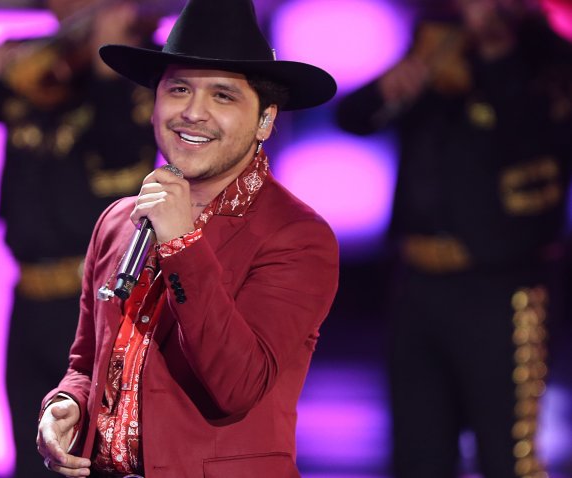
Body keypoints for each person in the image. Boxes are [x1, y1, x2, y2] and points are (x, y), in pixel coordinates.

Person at [34, 0, 339, 476]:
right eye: (178, 89)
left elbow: (236, 385)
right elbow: (86, 361)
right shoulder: (119, 219)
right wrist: (68, 403)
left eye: (222, 96)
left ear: (264, 119)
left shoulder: (299, 237)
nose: (192, 113)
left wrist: (182, 246)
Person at [0, 2, 160, 476]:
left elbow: (119, 150)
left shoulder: (142, 68)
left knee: (97, 454)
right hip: (29, 296)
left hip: (102, 300)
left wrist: (108, 61)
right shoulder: (38, 63)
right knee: (32, 454)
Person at [336, 0, 572, 476]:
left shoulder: (548, 58)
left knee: (508, 456)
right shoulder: (439, 46)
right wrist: (394, 84)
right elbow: (354, 118)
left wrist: (497, 52)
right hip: (418, 283)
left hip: (503, 286)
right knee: (419, 456)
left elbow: (533, 138)